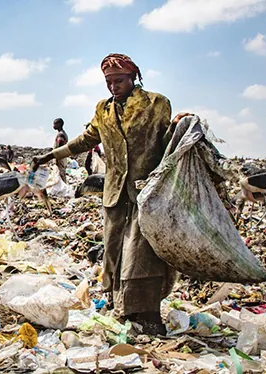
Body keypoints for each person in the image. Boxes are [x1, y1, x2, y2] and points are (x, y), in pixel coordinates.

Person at [31, 53, 192, 335]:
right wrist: (49, 156)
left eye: (119, 80)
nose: (113, 86)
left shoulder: (157, 103)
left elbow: (166, 140)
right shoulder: (103, 110)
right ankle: (120, 306)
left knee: (143, 255)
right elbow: (85, 140)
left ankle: (149, 316)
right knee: (115, 252)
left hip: (146, 192)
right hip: (115, 193)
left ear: (133, 78)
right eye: (108, 81)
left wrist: (179, 125)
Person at [52, 118, 69, 182]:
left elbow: (59, 147)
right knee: (61, 174)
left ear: (59, 124)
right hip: (62, 157)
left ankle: (62, 190)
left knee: (59, 175)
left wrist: (55, 157)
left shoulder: (60, 134)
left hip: (59, 157)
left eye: (55, 124)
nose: (53, 126)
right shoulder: (63, 133)